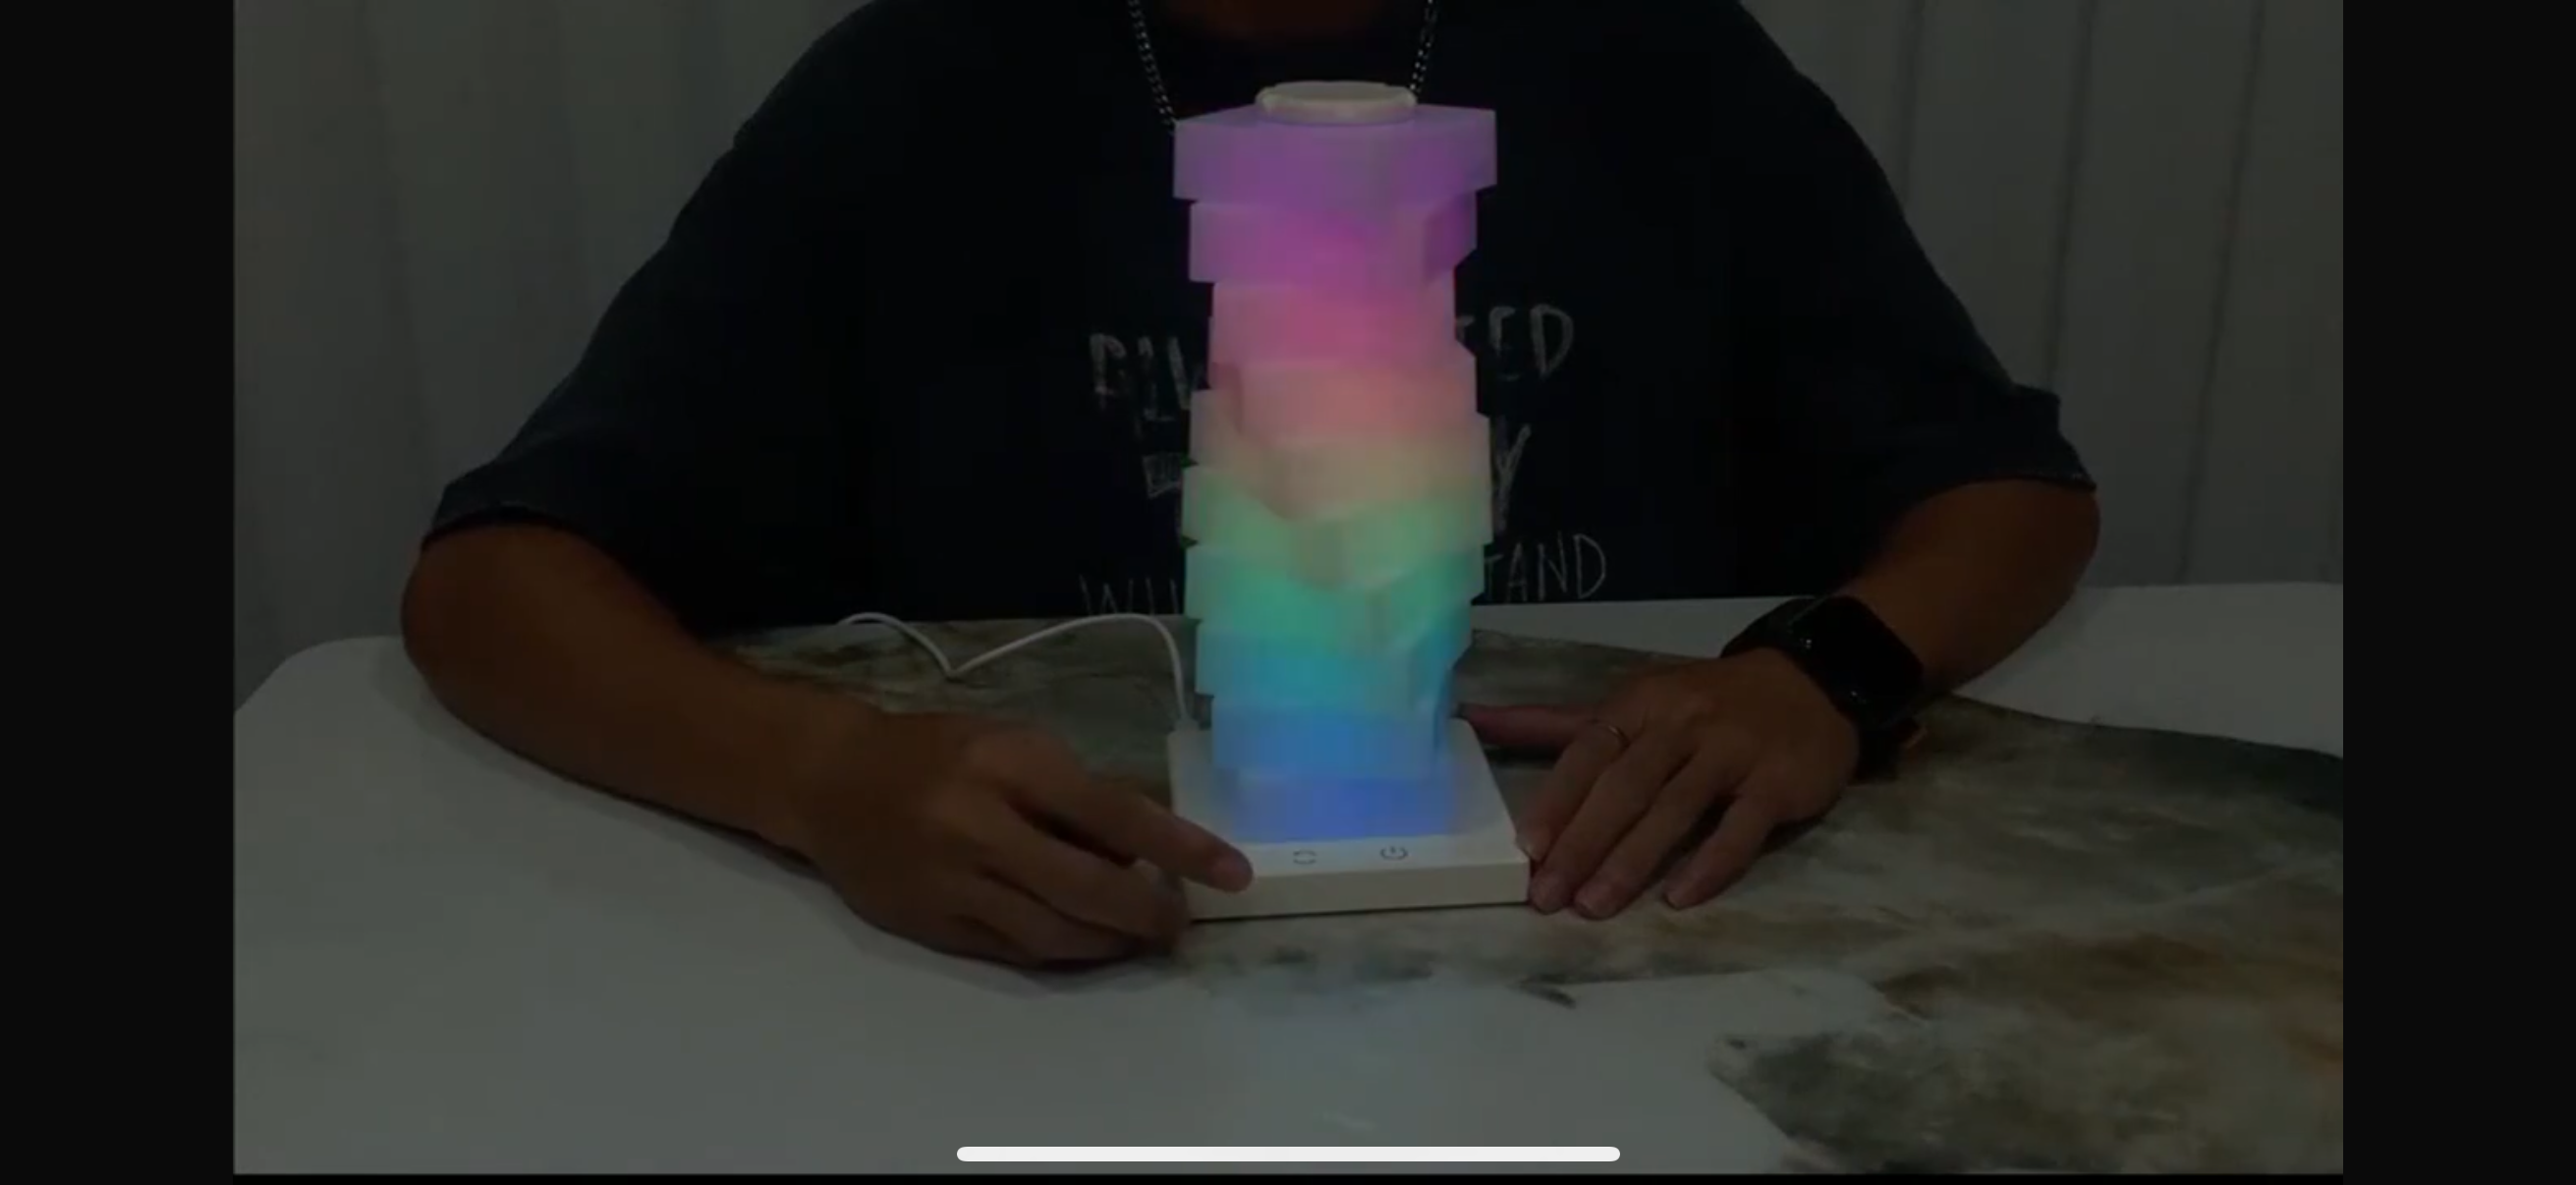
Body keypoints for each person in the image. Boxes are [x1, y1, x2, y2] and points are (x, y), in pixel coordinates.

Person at [402, 0, 2100, 968]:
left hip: (1608, 960)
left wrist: (1828, 671)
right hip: (1047, 995)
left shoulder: (1655, 58)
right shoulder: (922, 91)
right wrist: (823, 774)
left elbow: (2006, 493)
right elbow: (491, 586)